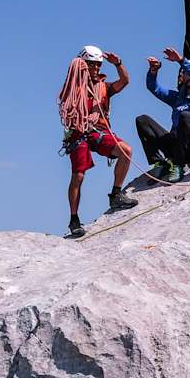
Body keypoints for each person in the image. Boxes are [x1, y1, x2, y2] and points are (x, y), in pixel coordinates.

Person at [57, 46, 138, 236]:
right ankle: (74, 219)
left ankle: (116, 194)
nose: (94, 69)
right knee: (78, 176)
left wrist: (118, 64)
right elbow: (66, 102)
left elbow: (125, 81)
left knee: (126, 150)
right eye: (91, 65)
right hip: (78, 133)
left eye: (97, 65)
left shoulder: (103, 87)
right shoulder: (73, 87)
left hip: (98, 131)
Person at [135, 47, 190, 182]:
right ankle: (161, 163)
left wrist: (181, 61)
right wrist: (153, 71)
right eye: (186, 73)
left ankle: (179, 166)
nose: (189, 76)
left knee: (186, 116)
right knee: (142, 120)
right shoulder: (178, 98)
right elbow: (155, 88)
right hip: (177, 145)